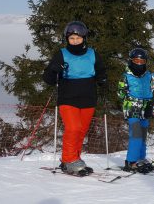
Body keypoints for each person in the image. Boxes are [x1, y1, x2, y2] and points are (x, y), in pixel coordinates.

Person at [42, 21, 106, 176]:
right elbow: (48, 79)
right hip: (68, 98)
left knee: (81, 131)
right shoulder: (62, 54)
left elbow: (101, 71)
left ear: (84, 38)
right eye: (72, 38)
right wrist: (53, 70)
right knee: (73, 128)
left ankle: (74, 159)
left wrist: (103, 80)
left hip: (88, 98)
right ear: (67, 39)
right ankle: (69, 160)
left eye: (78, 38)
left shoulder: (93, 54)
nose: (75, 41)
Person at [117, 48, 154, 173]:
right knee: (137, 134)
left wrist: (150, 103)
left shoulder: (149, 76)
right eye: (136, 61)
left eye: (141, 61)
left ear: (145, 62)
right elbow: (120, 93)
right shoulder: (126, 76)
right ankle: (131, 161)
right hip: (132, 108)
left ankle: (140, 158)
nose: (138, 64)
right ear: (131, 61)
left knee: (143, 135)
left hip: (145, 109)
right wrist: (131, 99)